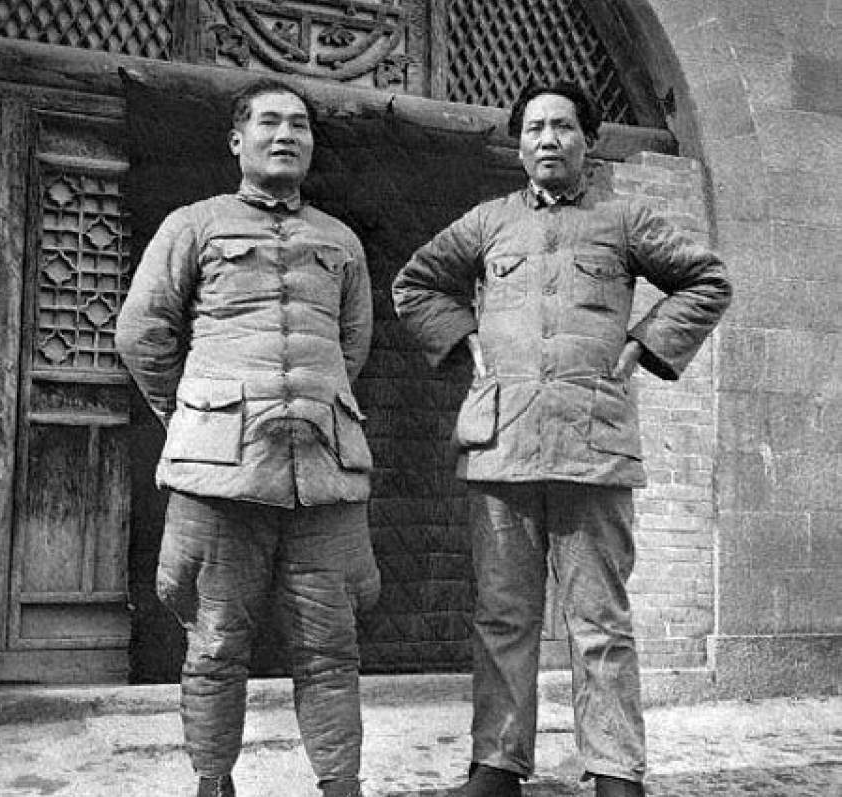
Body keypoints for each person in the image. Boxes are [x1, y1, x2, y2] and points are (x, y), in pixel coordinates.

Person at [392, 81, 732, 797]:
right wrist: (467, 341)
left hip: (593, 446)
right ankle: (497, 767)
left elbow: (706, 279)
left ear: (589, 140)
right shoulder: (488, 223)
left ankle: (614, 770)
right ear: (518, 145)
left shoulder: (624, 218)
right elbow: (415, 283)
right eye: (534, 129)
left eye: (563, 128)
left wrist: (644, 346)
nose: (547, 140)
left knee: (599, 620)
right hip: (502, 446)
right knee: (502, 616)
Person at [116, 77, 379, 797]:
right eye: (268, 122)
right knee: (216, 641)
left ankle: (339, 784)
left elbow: (352, 346)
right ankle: (212, 780)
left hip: (323, 475)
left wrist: (309, 409)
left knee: (331, 645)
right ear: (237, 139)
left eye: (299, 124)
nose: (285, 134)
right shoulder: (193, 225)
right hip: (220, 478)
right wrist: (197, 418)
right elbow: (142, 332)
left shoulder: (340, 240)